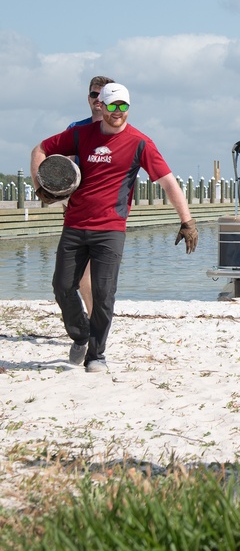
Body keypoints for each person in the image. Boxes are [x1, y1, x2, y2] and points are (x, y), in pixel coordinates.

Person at [30, 83, 198, 373]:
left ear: (128, 108)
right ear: (102, 106)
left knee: (104, 293)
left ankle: (96, 355)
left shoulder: (139, 142)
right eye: (112, 106)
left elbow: (168, 182)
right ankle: (81, 333)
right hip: (74, 223)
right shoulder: (82, 134)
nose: (117, 112)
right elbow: (41, 149)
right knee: (61, 286)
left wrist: (187, 221)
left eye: (123, 106)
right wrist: (40, 185)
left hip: (110, 228)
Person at [64, 75, 115, 319]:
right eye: (94, 95)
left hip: (108, 211)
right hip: (77, 210)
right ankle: (94, 317)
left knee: (100, 272)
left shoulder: (117, 129)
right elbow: (63, 166)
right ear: (89, 98)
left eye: (102, 95)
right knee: (81, 274)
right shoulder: (76, 129)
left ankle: (98, 319)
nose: (98, 99)